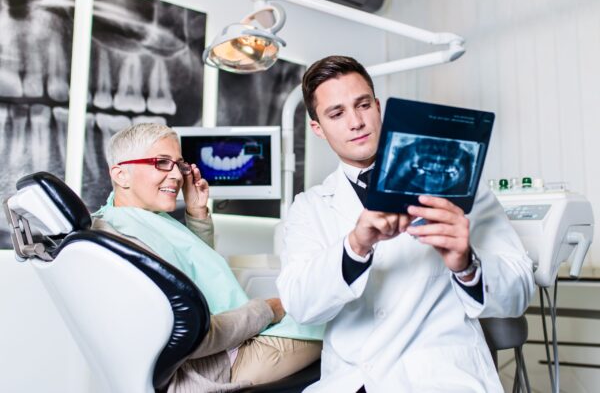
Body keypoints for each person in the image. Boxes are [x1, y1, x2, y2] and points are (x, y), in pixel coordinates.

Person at [276, 56, 535, 392]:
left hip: (440, 376)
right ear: (318, 129)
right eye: (337, 113)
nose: (355, 122)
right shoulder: (309, 207)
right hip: (355, 381)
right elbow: (299, 304)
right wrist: (355, 247)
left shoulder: (456, 181)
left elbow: (520, 291)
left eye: (363, 105)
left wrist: (468, 265)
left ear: (379, 107)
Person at [92, 123, 322, 393]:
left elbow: (192, 272)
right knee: (342, 319)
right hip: (210, 369)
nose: (177, 175)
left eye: (178, 164)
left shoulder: (133, 218)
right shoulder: (125, 242)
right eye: (162, 163)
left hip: (217, 349)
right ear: (121, 174)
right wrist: (267, 309)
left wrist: (197, 212)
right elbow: (192, 335)